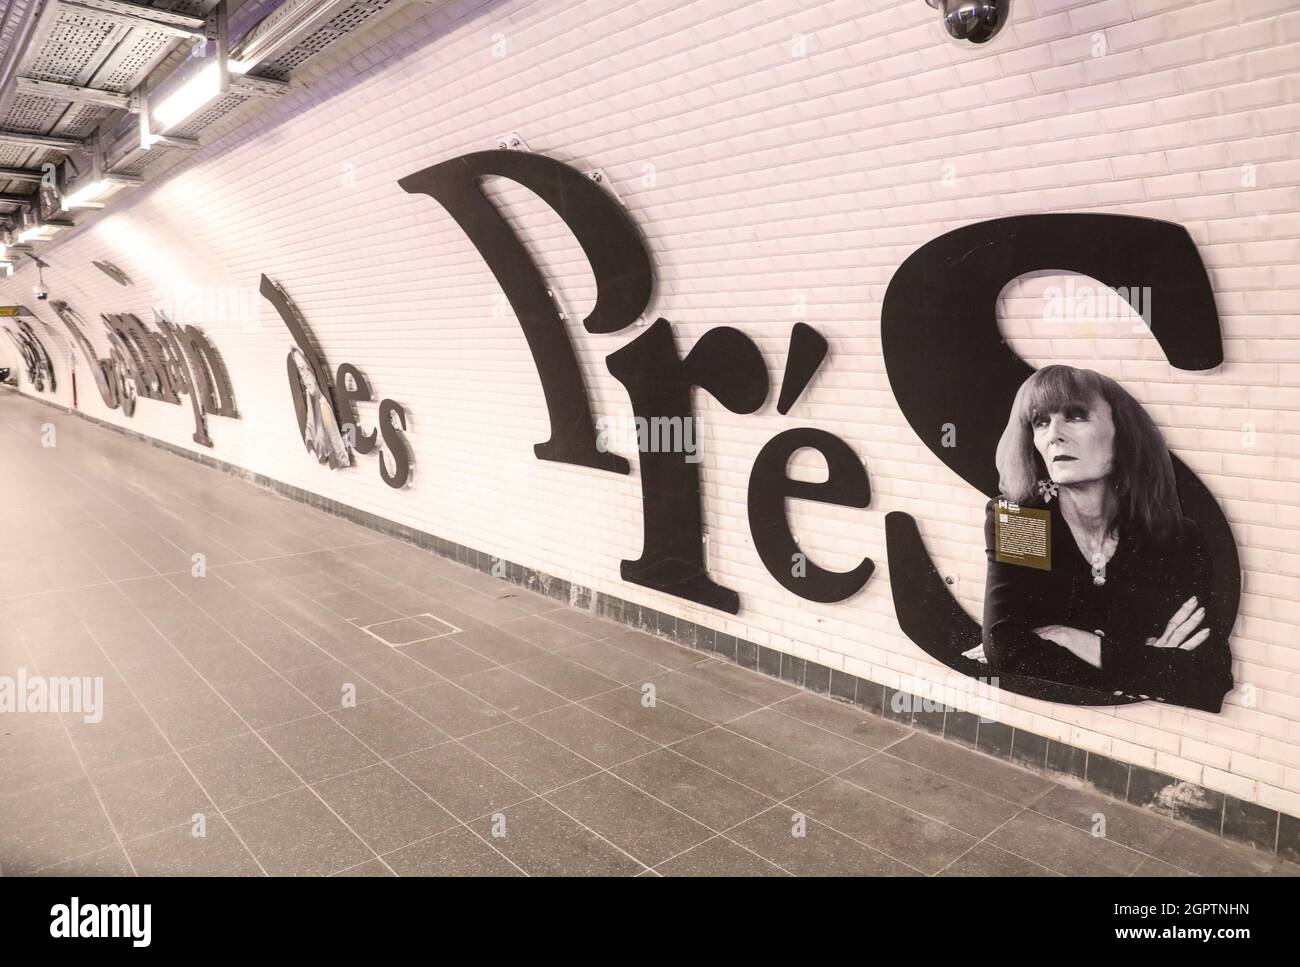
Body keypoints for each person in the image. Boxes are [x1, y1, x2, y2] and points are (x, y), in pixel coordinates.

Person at [962, 365, 1233, 713]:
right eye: (1040, 422)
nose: (1053, 435)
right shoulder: (1022, 519)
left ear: (1123, 432)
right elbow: (1007, 651)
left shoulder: (1175, 537)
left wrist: (1067, 636)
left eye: (1075, 416)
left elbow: (1206, 679)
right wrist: (1147, 662)